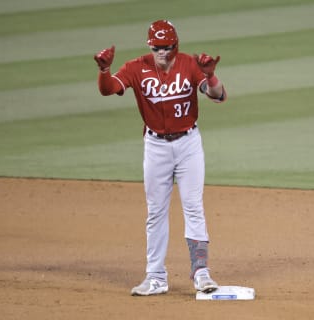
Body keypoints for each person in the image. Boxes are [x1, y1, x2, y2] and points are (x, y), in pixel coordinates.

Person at [93, 20, 226, 296]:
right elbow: (108, 89)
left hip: (189, 144)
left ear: (176, 45)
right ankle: (155, 277)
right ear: (149, 46)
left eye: (167, 47)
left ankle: (201, 273)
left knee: (193, 207)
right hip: (155, 147)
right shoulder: (135, 67)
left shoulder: (190, 64)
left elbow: (218, 95)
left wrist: (211, 75)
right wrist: (104, 70)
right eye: (157, 48)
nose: (162, 53)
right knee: (155, 212)